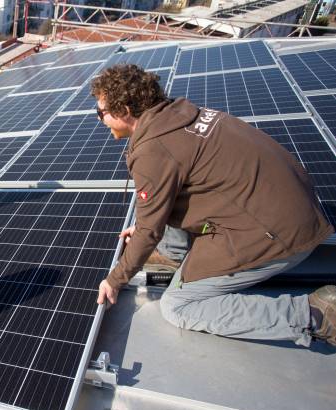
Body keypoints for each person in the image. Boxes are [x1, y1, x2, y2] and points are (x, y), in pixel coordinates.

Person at [91, 64, 336, 347]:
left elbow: (149, 232)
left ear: (124, 111)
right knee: (157, 213)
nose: (101, 120)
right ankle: (176, 258)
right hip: (293, 207)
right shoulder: (181, 115)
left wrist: (115, 279)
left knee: (177, 306)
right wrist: (147, 225)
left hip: (276, 232)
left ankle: (316, 314)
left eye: (101, 113)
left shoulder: (154, 151)